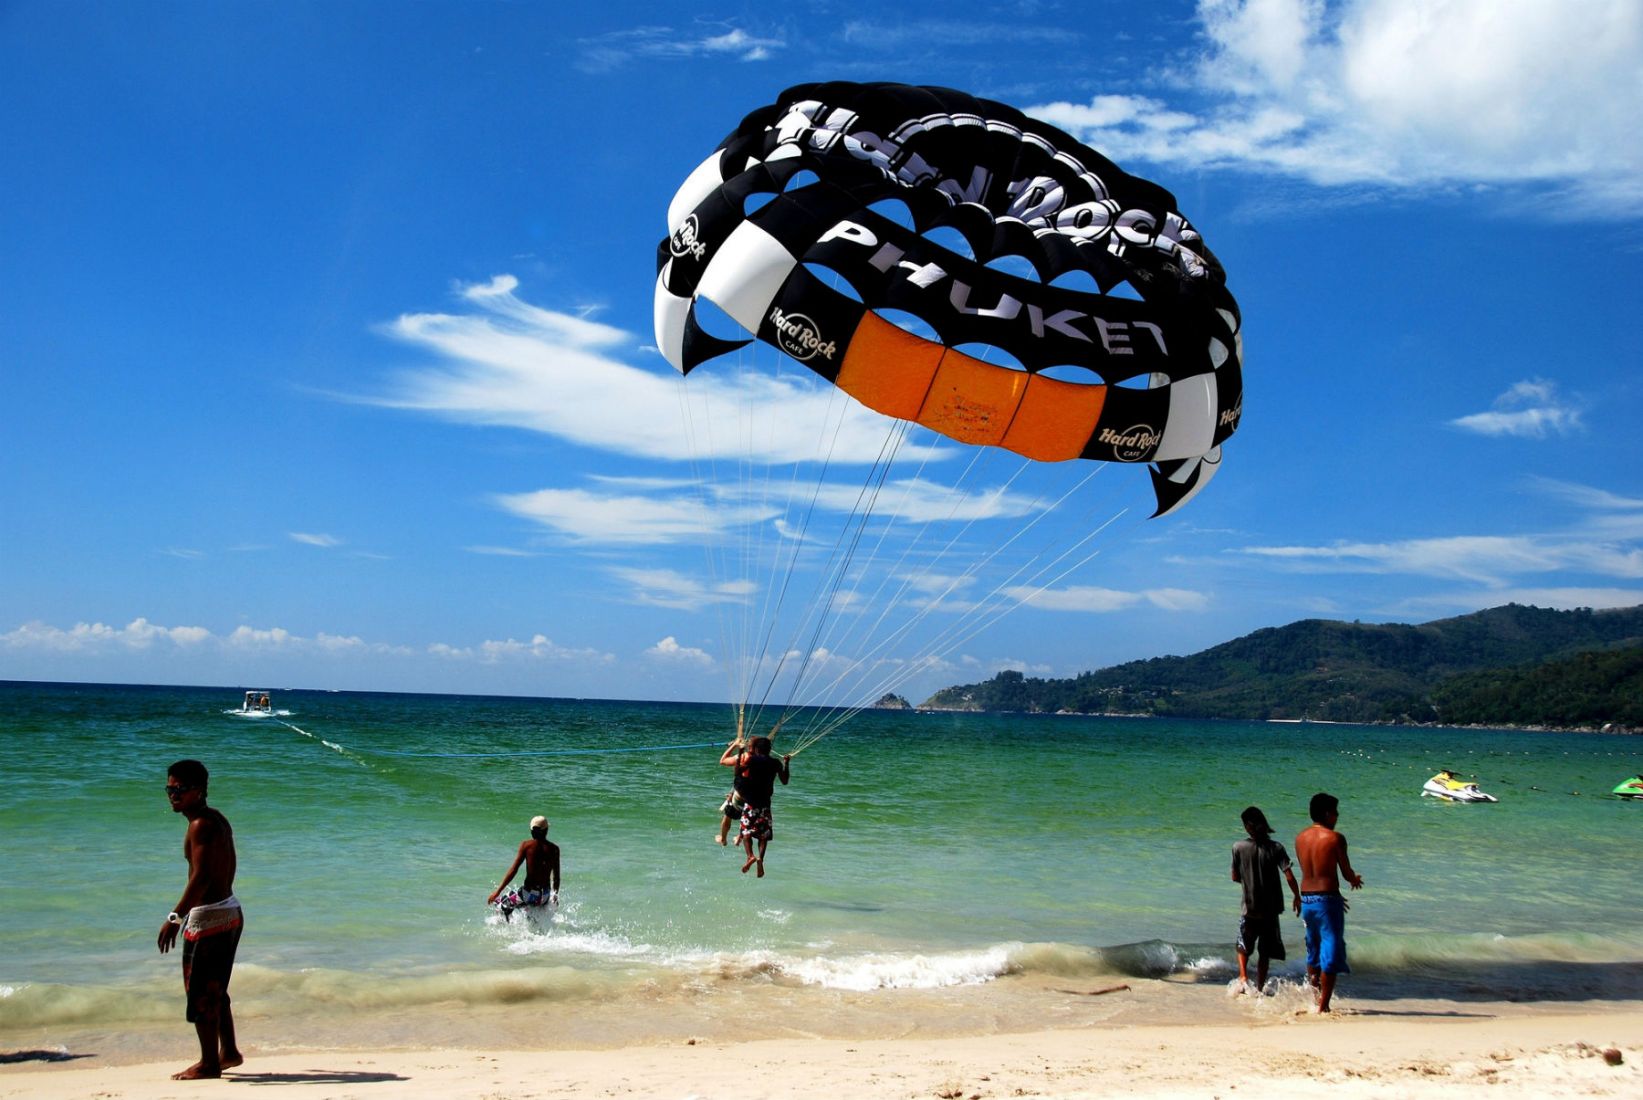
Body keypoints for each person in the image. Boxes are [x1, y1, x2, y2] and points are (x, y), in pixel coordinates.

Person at [158, 759, 245, 1080]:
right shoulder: (214, 818)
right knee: (215, 988)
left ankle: (209, 1064)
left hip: (210, 917)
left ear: (199, 790)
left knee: (201, 993)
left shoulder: (200, 825)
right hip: (229, 910)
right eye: (169, 789)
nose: (173, 795)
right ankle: (228, 1052)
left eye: (180, 789)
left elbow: (202, 877)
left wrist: (175, 917)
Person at [1294, 792, 1365, 1013]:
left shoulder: (1300, 838)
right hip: (1327, 901)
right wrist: (1354, 880)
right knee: (1331, 950)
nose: (1337, 816)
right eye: (1335, 812)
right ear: (1326, 813)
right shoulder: (1335, 838)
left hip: (1307, 900)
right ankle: (1323, 1006)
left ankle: (1315, 999)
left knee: (1313, 949)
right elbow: (1345, 872)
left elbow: (1313, 872)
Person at [1230, 806, 1301, 993]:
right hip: (1271, 909)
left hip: (1249, 907)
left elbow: (1235, 876)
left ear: (1247, 826)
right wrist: (1297, 896)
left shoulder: (1238, 847)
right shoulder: (1276, 847)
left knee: (1243, 945)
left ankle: (1243, 977)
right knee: (1265, 952)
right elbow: (1289, 876)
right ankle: (1260, 987)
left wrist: (1249, 879)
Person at [719, 734, 789, 877]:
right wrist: (786, 763)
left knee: (746, 831)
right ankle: (760, 859)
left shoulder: (751, 759)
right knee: (764, 835)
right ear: (769, 749)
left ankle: (750, 856)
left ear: (756, 749)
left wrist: (740, 751)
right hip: (765, 804)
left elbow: (737, 772)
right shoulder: (776, 763)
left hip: (751, 802)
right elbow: (785, 781)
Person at [487, 815, 561, 919]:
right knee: (529, 910)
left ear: (532, 831)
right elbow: (556, 877)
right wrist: (555, 896)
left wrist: (497, 892)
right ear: (546, 831)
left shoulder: (526, 845)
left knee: (499, 904)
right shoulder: (554, 849)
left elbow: (514, 870)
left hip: (528, 895)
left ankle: (507, 928)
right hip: (544, 897)